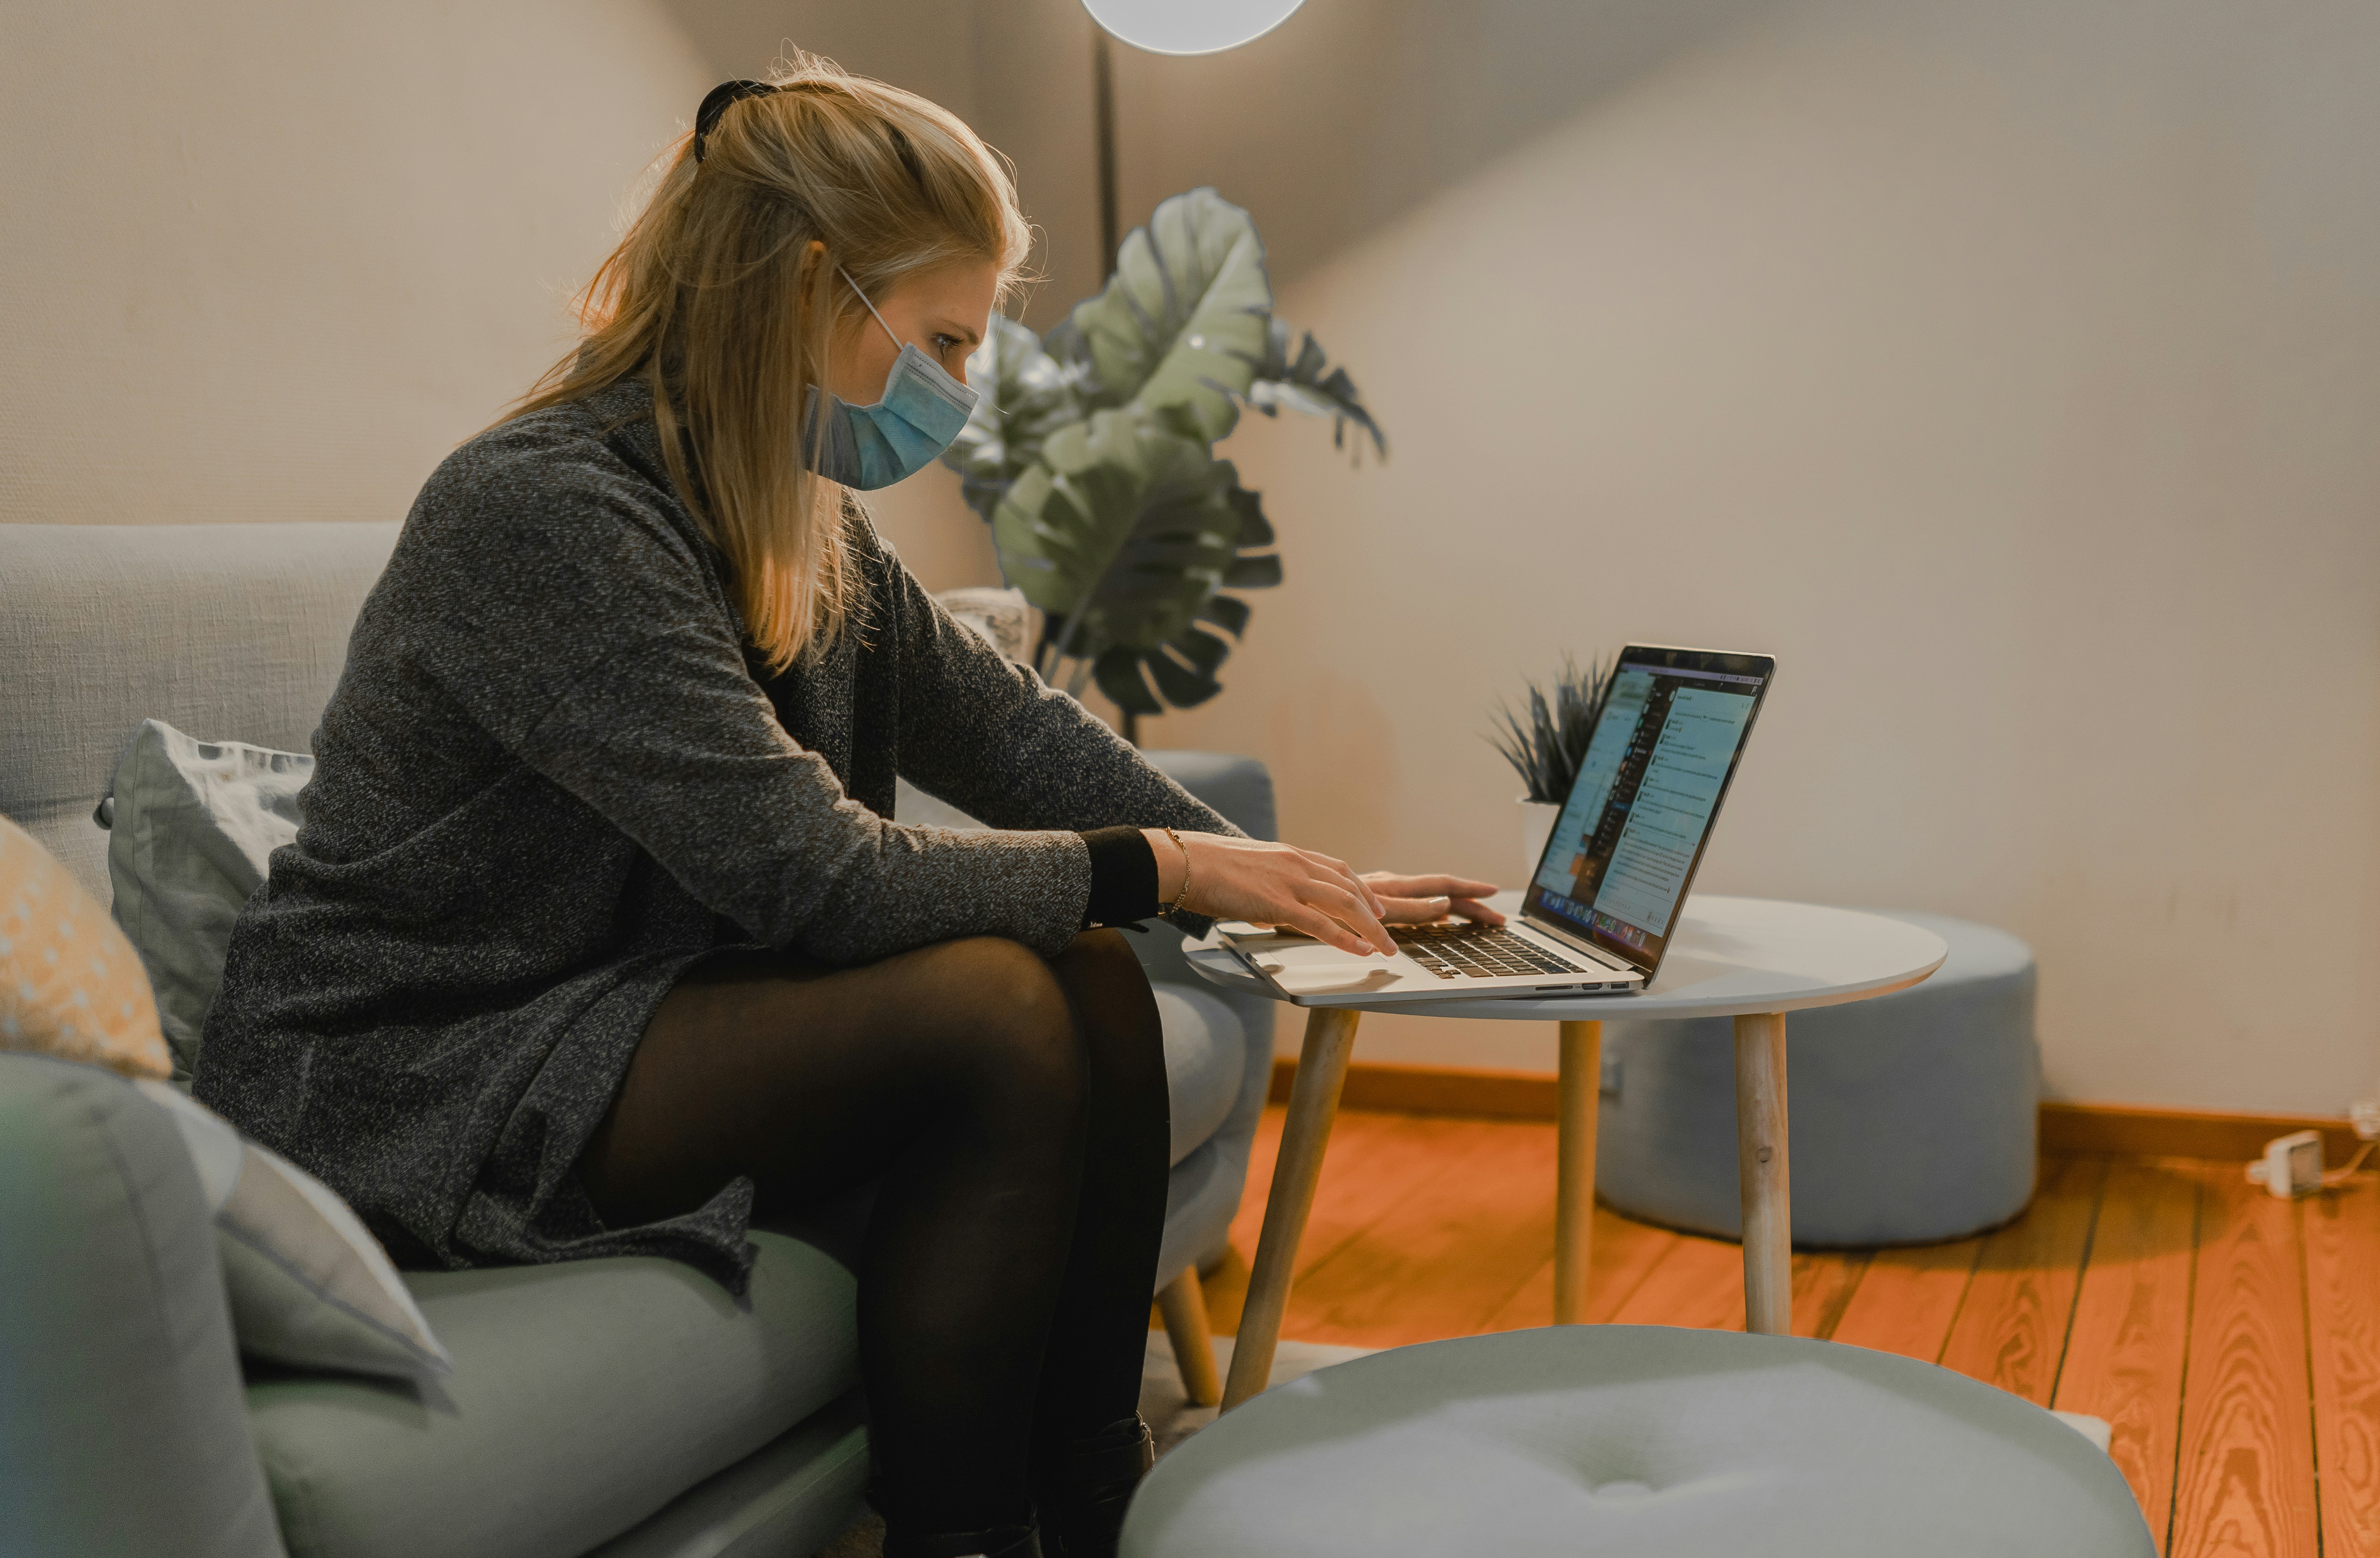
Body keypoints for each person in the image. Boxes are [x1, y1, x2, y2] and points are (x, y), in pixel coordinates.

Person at [194, 56, 1497, 1558]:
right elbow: (822, 879)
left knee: (1079, 973)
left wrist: (1272, 870)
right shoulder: (546, 514)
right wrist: (1173, 866)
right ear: (813, 289)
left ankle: (1090, 1496)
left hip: (604, 1007)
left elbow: (1011, 735)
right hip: (416, 1057)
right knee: (993, 1014)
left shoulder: (800, 515)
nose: (961, 381)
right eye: (943, 335)